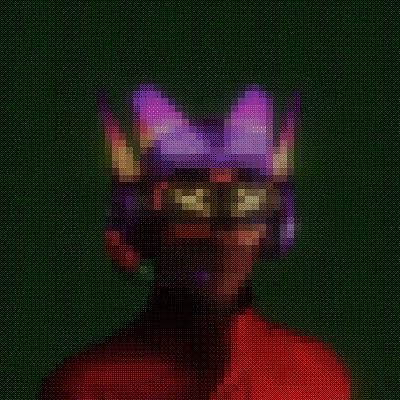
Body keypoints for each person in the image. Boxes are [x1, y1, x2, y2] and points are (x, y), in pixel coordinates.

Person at [38, 84, 352, 399]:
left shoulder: (318, 376)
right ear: (142, 225)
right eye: (191, 200)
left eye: (246, 200)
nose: (223, 232)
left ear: (275, 226)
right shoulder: (85, 387)